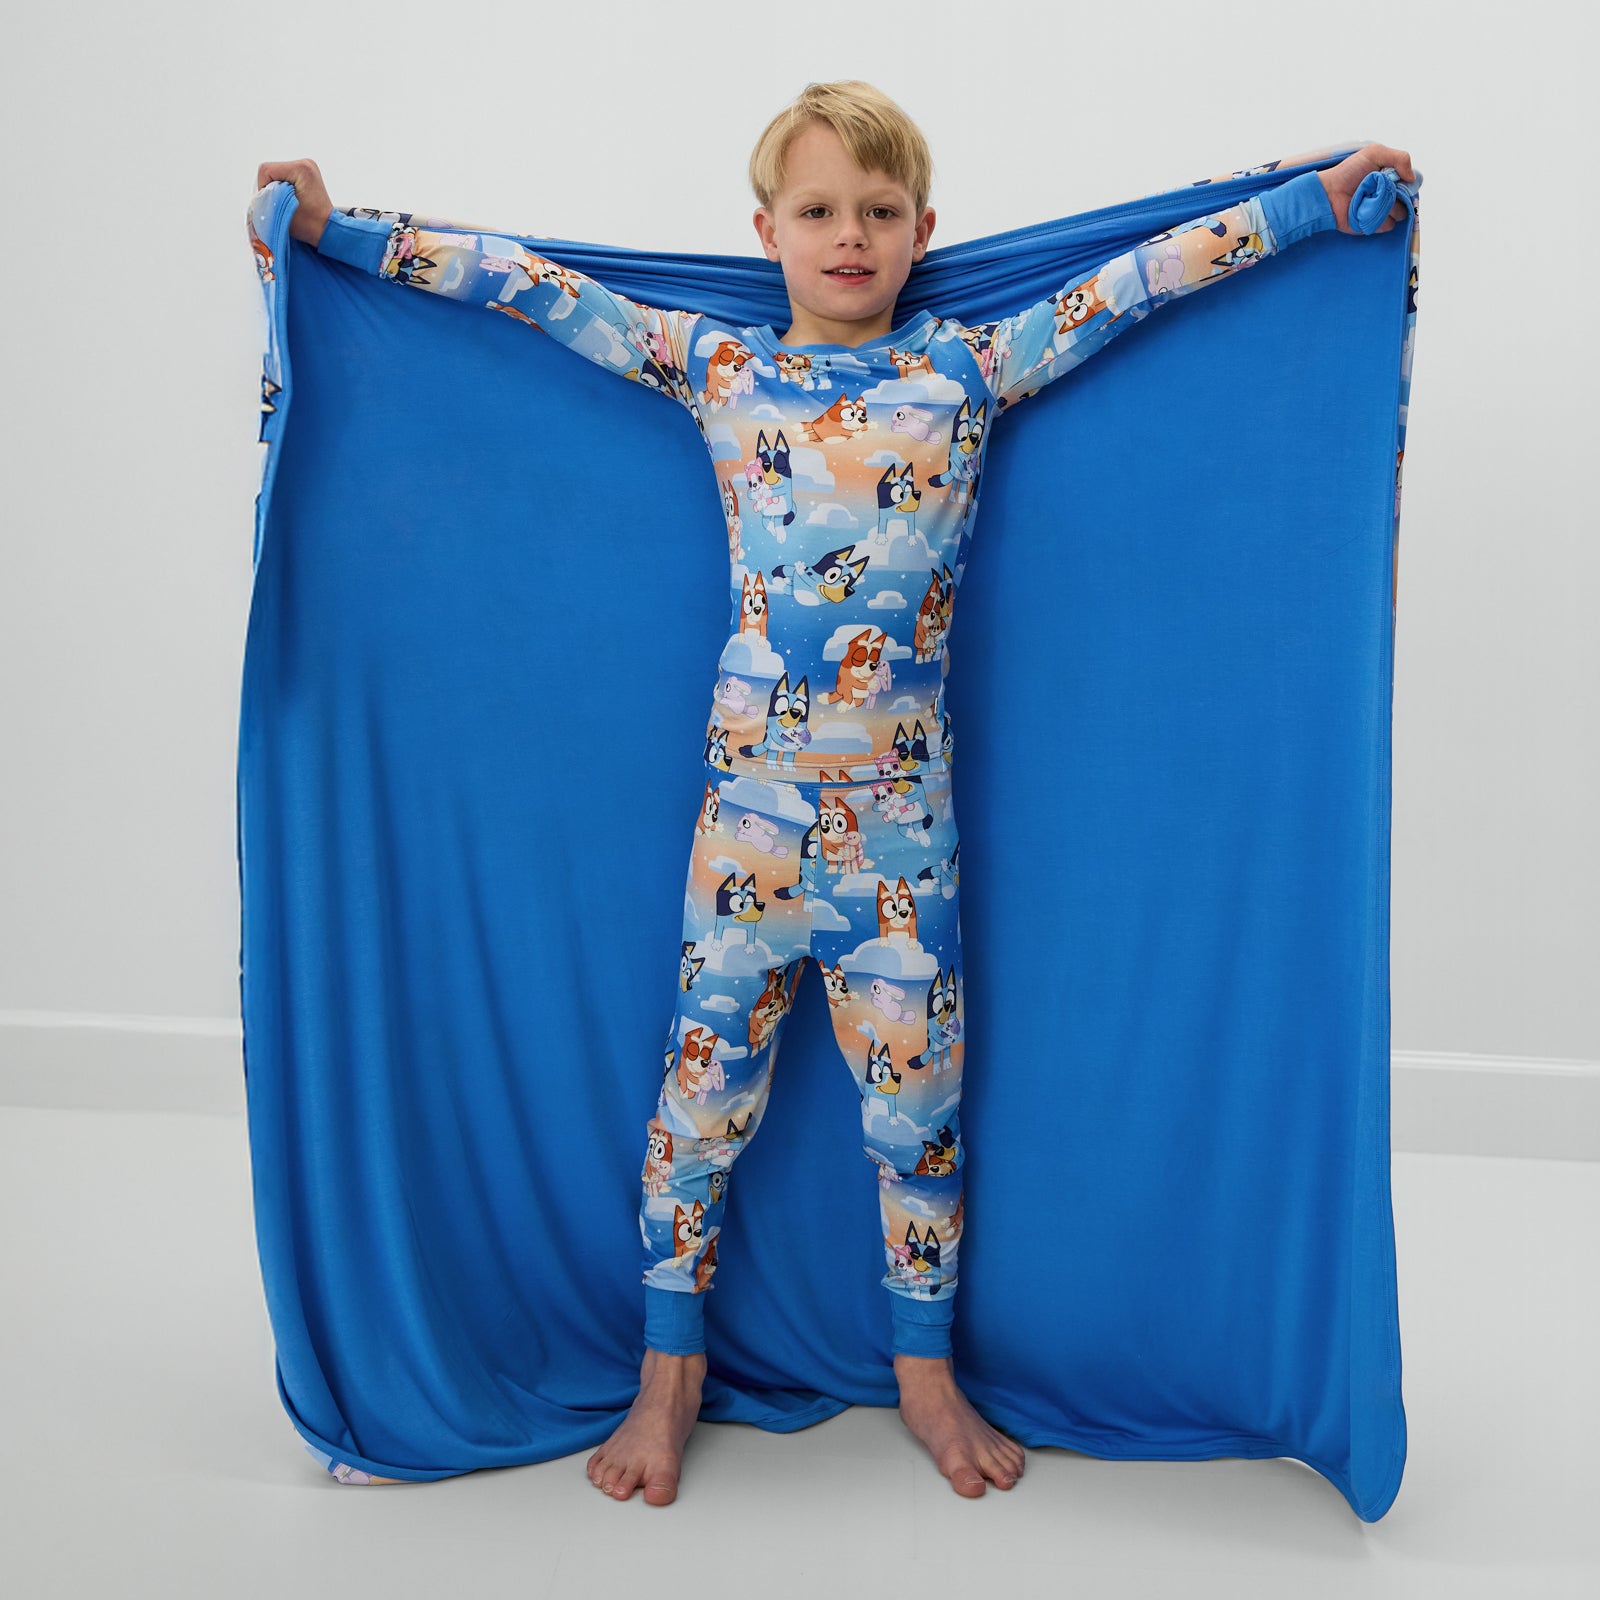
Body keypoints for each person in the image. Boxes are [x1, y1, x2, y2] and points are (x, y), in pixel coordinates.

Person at [257, 80, 1412, 1506]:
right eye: (818, 211)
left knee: (918, 1115)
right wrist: (342, 237)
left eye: (879, 211)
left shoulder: (968, 370)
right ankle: (667, 1371)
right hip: (747, 831)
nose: (849, 235)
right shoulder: (717, 366)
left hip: (899, 852)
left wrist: (1306, 204)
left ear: (925, 231)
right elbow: (532, 291)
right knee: (697, 1110)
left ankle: (924, 1372)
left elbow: (1135, 283)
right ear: (768, 232)